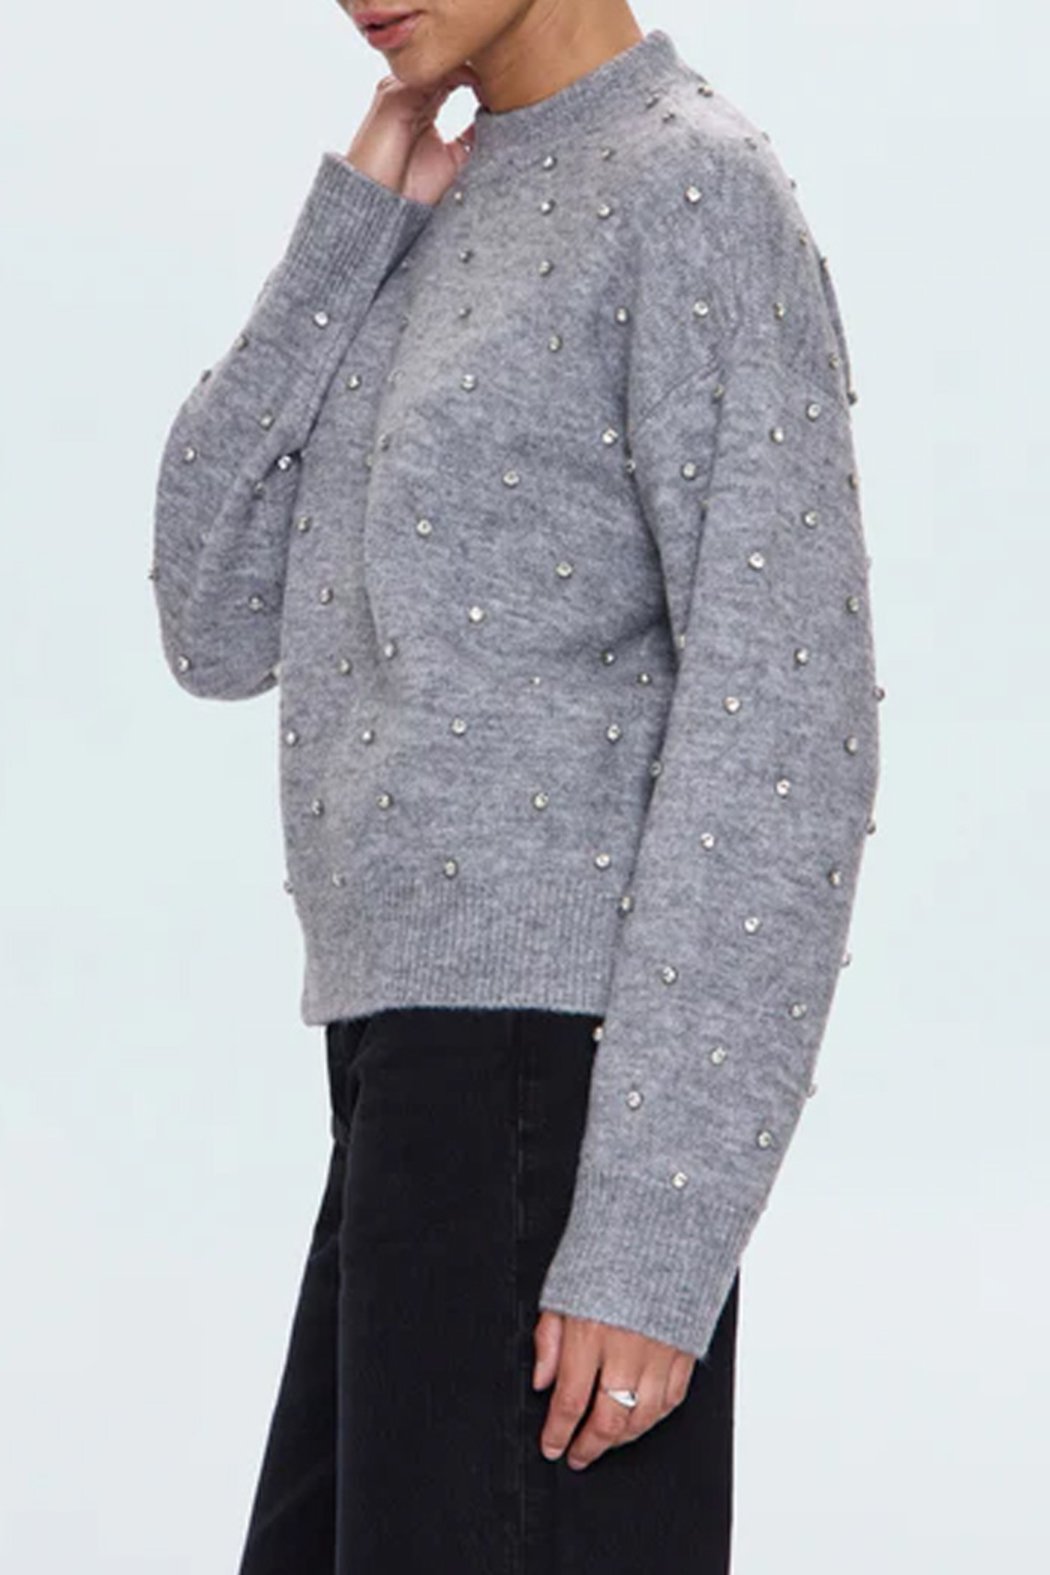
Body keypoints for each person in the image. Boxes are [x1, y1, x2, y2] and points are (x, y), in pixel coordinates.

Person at [149, 2, 881, 1570]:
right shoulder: (429, 204)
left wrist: (653, 1234)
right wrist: (347, 224)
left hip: (553, 1086)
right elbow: (209, 618)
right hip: (400, 1078)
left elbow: (783, 721)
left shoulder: (690, 187)